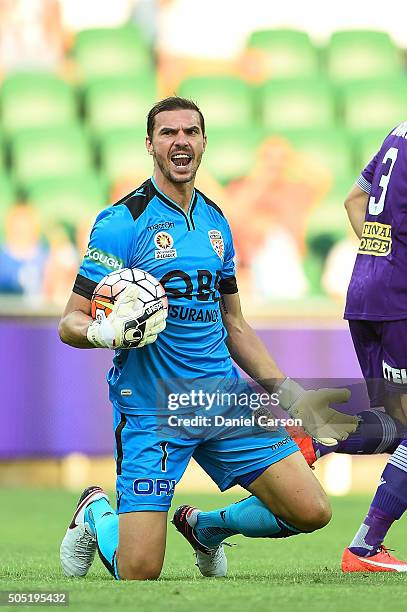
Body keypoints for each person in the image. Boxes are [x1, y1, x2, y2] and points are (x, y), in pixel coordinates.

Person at [58, 96, 357, 581]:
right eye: (169, 133)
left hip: (221, 400)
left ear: (202, 143)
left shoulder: (217, 222)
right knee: (139, 572)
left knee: (312, 511)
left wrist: (297, 401)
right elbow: (69, 321)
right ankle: (96, 513)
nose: (181, 141)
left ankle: (207, 527)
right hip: (153, 408)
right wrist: (102, 329)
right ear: (150, 144)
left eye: (190, 132)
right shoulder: (121, 223)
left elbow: (235, 325)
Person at [295, 121, 407, 572]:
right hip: (399, 302)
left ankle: (314, 437)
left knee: (398, 427)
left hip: (365, 294)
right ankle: (364, 547)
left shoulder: (397, 134)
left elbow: (354, 199)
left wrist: (384, 256)